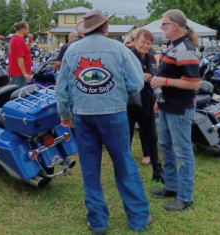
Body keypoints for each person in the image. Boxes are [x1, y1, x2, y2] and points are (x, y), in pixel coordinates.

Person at [56, 10, 152, 234]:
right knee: (125, 164)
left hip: (82, 116)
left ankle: (97, 222)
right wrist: (121, 90)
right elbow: (137, 82)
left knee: (90, 169)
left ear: (86, 30)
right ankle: (138, 218)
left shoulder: (72, 50)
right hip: (115, 114)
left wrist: (64, 115)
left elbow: (61, 89)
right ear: (106, 28)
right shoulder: (119, 48)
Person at [150, 9, 200, 211]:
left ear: (175, 26)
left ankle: (186, 197)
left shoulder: (186, 49)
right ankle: (171, 186)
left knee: (183, 152)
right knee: (166, 146)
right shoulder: (172, 45)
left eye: (164, 24)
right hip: (166, 105)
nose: (161, 27)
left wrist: (164, 81)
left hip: (179, 108)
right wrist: (159, 99)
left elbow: (194, 83)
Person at [126, 29, 164, 183]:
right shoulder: (128, 56)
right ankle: (125, 172)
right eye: (143, 42)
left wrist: (158, 99)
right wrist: (139, 76)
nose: (146, 45)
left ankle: (157, 169)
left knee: (152, 136)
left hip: (147, 103)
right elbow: (119, 76)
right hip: (129, 105)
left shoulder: (150, 58)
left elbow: (155, 79)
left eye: (149, 43)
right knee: (126, 138)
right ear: (135, 41)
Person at [8, 21, 33, 87]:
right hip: (18, 73)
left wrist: (30, 40)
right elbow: (19, 57)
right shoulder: (19, 40)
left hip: (18, 72)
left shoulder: (16, 38)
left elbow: (27, 50)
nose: (28, 31)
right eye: (27, 29)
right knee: (19, 93)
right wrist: (24, 73)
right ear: (23, 29)